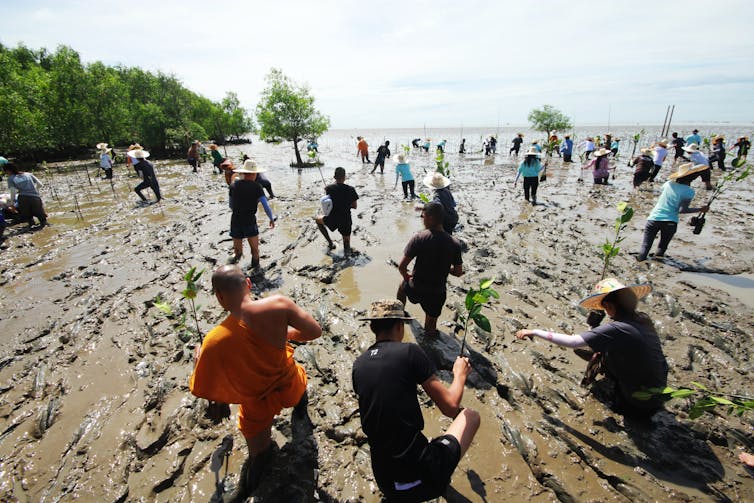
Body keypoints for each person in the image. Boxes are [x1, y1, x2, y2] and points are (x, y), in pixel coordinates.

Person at [189, 265, 322, 499]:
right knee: (298, 380)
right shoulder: (279, 304)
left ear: (219, 296)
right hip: (288, 384)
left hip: (256, 402)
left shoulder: (213, 340)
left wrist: (198, 357)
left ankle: (249, 492)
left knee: (258, 455)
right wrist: (288, 335)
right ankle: (301, 411)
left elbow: (201, 387)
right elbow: (314, 332)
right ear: (248, 284)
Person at [352, 299, 480, 502]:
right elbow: (450, 406)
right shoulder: (410, 352)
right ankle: (439, 477)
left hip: (385, 482)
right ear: (399, 326)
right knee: (470, 416)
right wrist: (460, 374)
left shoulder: (358, 365)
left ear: (372, 327)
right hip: (420, 480)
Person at [516, 278, 668, 418]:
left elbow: (574, 342)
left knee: (595, 355)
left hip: (638, 402)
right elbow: (611, 339)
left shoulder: (617, 328)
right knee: (603, 350)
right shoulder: (642, 318)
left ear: (608, 306)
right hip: (658, 391)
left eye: (604, 306)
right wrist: (594, 326)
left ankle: (620, 399)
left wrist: (535, 331)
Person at [397, 202, 463, 336]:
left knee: (402, 286)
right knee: (430, 328)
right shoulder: (454, 243)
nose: (422, 219)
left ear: (431, 218)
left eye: (423, 216)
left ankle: (399, 313)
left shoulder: (419, 238)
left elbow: (402, 267)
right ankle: (429, 338)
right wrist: (446, 268)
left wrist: (407, 277)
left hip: (416, 287)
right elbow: (458, 272)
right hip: (436, 293)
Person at [637, 162, 709, 261]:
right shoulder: (689, 191)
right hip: (670, 222)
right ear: (693, 177)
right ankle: (657, 265)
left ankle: (640, 263)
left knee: (645, 246)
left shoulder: (668, 184)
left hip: (654, 218)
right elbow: (682, 210)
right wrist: (700, 209)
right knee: (661, 249)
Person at [228, 160, 275, 268]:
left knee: (237, 252)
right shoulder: (257, 187)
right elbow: (266, 206)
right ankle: (256, 272)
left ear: (244, 173)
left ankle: (230, 271)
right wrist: (271, 218)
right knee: (255, 251)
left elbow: (231, 205)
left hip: (235, 219)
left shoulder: (233, 185)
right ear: (254, 174)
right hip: (249, 220)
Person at [315, 167, 358, 254]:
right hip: (346, 219)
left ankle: (330, 243)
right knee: (346, 243)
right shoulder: (351, 189)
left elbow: (328, 202)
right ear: (345, 177)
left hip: (333, 218)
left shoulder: (329, 188)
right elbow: (354, 206)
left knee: (318, 220)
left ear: (334, 177)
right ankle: (347, 254)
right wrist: (345, 205)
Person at [4, 163, 47, 228]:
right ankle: (44, 226)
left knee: (28, 216)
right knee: (41, 215)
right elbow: (40, 184)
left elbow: (13, 192)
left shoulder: (10, 178)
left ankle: (31, 227)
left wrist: (12, 204)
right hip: (35, 197)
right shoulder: (28, 174)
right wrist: (35, 191)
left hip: (23, 198)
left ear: (8, 170)